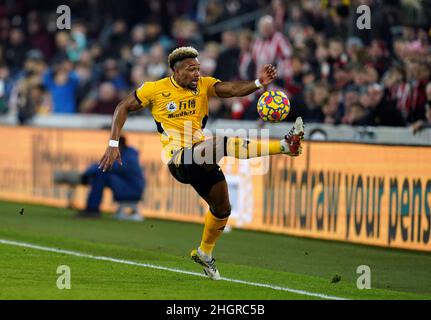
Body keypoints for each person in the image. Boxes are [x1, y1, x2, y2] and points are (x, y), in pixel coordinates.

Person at [99, 46, 304, 280]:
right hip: (179, 160)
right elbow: (122, 106)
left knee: (222, 209)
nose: (197, 73)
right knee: (222, 142)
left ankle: (204, 253)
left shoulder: (205, 85)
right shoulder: (155, 89)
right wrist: (113, 144)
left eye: (198, 68)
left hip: (201, 157)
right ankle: (284, 147)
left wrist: (258, 82)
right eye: (191, 69)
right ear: (175, 71)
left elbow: (233, 90)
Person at [80, 135, 145, 219]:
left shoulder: (129, 157)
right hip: (130, 188)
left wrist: (87, 173)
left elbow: (107, 165)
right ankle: (92, 209)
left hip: (132, 191)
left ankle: (92, 209)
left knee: (102, 175)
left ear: (118, 145)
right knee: (101, 175)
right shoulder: (128, 154)